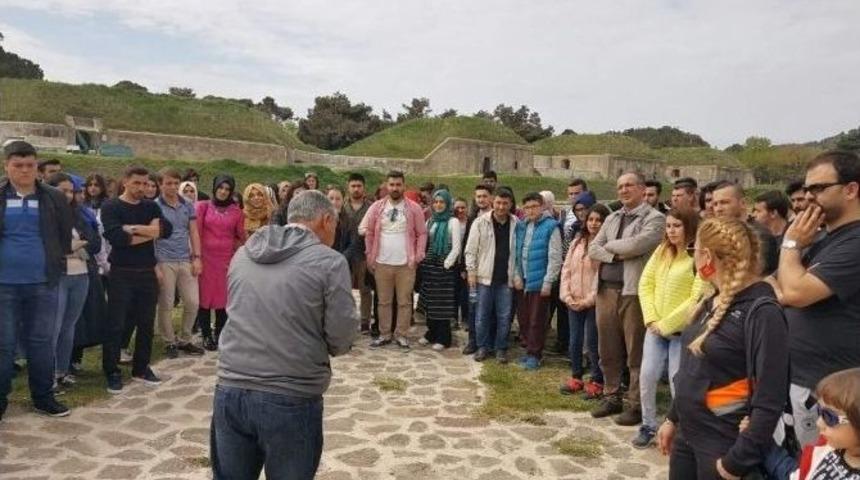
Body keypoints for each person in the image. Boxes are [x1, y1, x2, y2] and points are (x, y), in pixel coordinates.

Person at [211, 190, 357, 480]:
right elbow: (341, 337)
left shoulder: (243, 255)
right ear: (326, 220)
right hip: (292, 394)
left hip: (230, 387)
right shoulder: (330, 262)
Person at [656, 218, 789, 480]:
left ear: (707, 256)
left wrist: (736, 462)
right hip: (688, 434)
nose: (692, 257)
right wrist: (672, 418)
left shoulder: (762, 312)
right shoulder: (711, 300)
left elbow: (770, 397)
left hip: (723, 444)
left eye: (694, 250)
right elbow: (692, 369)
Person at [769, 150, 860, 448]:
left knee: (820, 460)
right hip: (800, 377)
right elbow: (773, 284)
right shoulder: (820, 239)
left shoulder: (855, 242)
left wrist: (790, 243)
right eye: (807, 189)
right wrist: (789, 287)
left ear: (851, 189)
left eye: (819, 188)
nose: (809, 197)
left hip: (831, 388)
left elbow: (794, 292)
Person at [0, 141, 73, 419]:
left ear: (37, 167)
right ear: (6, 166)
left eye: (29, 165)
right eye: (17, 165)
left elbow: (64, 236)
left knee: (42, 342)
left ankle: (43, 397)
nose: (24, 170)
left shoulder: (53, 197)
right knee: (4, 345)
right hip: (3, 284)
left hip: (43, 283)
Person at [588, 171, 665, 425]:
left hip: (633, 292)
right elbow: (593, 248)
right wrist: (615, 253)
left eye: (629, 185)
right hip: (606, 290)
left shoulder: (655, 218)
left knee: (636, 351)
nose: (623, 190)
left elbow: (637, 246)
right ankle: (611, 396)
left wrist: (610, 247)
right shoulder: (611, 217)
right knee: (608, 348)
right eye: (620, 186)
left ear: (642, 189)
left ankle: (635, 403)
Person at [632, 207, 705, 449]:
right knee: (647, 375)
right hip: (655, 329)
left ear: (689, 227)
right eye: (669, 226)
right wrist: (652, 319)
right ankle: (648, 425)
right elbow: (646, 283)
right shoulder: (662, 250)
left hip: (680, 332)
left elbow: (697, 296)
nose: (671, 231)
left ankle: (678, 429)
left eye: (677, 226)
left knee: (677, 382)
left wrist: (666, 324)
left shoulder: (697, 255)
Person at [101, 165, 173, 394]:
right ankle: (112, 371)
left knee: (145, 323)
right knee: (116, 324)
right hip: (121, 272)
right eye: (137, 183)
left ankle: (141, 368)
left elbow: (166, 230)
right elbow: (117, 238)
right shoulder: (111, 206)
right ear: (125, 182)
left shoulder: (150, 206)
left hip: (147, 271)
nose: (142, 188)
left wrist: (133, 229)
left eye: (145, 183)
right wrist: (150, 231)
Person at [45, 173, 100, 389]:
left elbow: (94, 243)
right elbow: (50, 247)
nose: (68, 195)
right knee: (54, 327)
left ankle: (62, 371)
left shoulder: (79, 214)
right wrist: (71, 247)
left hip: (81, 275)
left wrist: (71, 248)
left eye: (71, 191)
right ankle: (47, 375)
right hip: (59, 276)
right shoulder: (45, 215)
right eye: (63, 190)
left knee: (69, 326)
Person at [362, 171, 428, 349]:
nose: (395, 188)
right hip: (382, 262)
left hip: (406, 264)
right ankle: (384, 334)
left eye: (398, 184)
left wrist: (418, 255)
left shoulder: (414, 208)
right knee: (383, 301)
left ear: (404, 186)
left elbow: (422, 233)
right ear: (386, 186)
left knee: (404, 302)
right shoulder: (377, 207)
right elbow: (369, 232)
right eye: (392, 184)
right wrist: (369, 255)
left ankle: (401, 335)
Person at [559, 203, 610, 398]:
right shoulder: (577, 241)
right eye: (591, 219)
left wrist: (588, 300)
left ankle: (597, 380)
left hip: (593, 302)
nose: (594, 223)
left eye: (598, 220)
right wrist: (566, 295)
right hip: (573, 299)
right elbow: (567, 269)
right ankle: (576, 376)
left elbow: (601, 276)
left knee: (593, 341)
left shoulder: (605, 245)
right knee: (575, 340)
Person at [155, 168, 205, 359]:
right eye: (168, 183)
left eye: (176, 183)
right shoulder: (155, 206)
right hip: (164, 259)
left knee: (193, 301)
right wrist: (155, 264)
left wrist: (197, 257)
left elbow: (193, 232)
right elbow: (153, 236)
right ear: (160, 184)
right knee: (166, 303)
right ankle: (169, 341)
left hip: (185, 258)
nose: (173, 187)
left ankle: (185, 338)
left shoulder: (187, 205)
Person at [465, 187, 519, 363]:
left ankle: (500, 348)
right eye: (498, 202)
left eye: (505, 203)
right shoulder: (480, 222)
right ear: (492, 202)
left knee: (504, 316)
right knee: (482, 315)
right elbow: (471, 250)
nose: (501, 207)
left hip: (505, 279)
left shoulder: (517, 224)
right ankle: (482, 346)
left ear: (510, 204)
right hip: (483, 278)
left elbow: (518, 252)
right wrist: (471, 271)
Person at [513, 192, 562, 370]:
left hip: (539, 281)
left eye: (534, 206)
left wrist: (548, 281)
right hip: (523, 279)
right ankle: (528, 350)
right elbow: (517, 252)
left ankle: (535, 354)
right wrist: (517, 275)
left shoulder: (551, 227)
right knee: (524, 318)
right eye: (527, 207)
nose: (530, 210)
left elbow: (555, 256)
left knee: (537, 319)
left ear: (542, 207)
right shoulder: (521, 226)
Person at [197, 175, 246, 351]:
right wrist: (196, 256)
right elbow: (196, 232)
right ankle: (206, 335)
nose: (223, 192)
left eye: (227, 189)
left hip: (225, 260)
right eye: (221, 188)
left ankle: (220, 334)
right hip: (205, 259)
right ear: (215, 188)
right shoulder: (203, 207)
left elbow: (241, 236)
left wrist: (235, 252)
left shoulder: (237, 212)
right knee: (204, 298)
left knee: (223, 299)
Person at [417, 189, 461, 351]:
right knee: (430, 303)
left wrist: (446, 264)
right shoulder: (430, 221)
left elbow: (456, 247)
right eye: (435, 202)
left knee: (442, 304)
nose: (438, 205)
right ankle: (431, 333)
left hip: (445, 268)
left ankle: (443, 337)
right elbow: (425, 242)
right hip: (429, 267)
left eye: (442, 202)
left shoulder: (453, 222)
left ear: (447, 203)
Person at [711, 181, 779, 276]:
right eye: (715, 204)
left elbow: (759, 275)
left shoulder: (761, 236)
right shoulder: (716, 234)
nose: (718, 209)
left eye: (724, 202)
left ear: (742, 203)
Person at [462, 184, 496, 353]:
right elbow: (467, 244)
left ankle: (489, 342)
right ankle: (473, 341)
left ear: (491, 198)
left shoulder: (496, 217)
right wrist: (465, 268)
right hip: (474, 273)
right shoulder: (472, 218)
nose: (481, 199)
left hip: (491, 272)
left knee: (490, 309)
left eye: (484, 196)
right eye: (478, 196)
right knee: (473, 307)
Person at [344, 173, 374, 333]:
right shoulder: (342, 207)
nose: (356, 189)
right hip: (346, 254)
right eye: (353, 186)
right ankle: (347, 320)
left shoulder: (371, 208)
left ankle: (365, 321)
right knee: (344, 289)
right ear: (348, 187)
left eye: (359, 186)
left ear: (364, 187)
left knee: (365, 290)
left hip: (364, 254)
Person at [326, 185, 358, 263]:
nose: (334, 202)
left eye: (338, 199)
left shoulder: (350, 220)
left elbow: (353, 244)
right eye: (331, 198)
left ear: (343, 200)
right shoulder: (318, 218)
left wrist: (340, 259)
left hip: (342, 261)